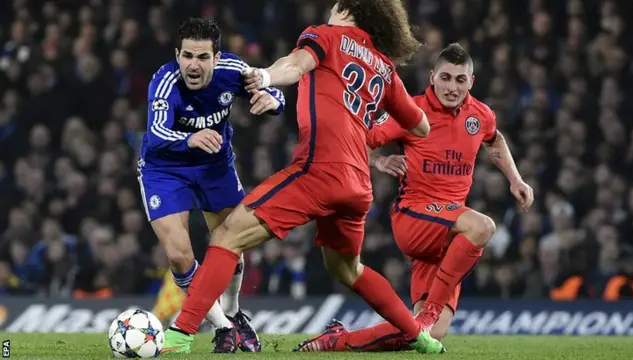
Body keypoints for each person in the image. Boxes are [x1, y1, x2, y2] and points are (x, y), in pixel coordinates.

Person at [162, 0, 445, 355]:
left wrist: (264, 76)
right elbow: (420, 125)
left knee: (226, 236)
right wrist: (367, 129)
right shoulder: (385, 69)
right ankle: (421, 338)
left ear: (344, 10)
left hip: (320, 171)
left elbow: (295, 65)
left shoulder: (325, 35)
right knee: (348, 269)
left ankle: (180, 335)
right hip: (358, 185)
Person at [295, 43, 534, 352]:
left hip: (447, 235)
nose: (452, 87)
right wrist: (378, 161)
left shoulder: (481, 115)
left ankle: (337, 340)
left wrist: (515, 179)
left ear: (471, 82)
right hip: (415, 216)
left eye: (460, 80)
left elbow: (495, 139)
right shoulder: (411, 111)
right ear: (433, 77)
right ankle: (431, 310)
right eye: (446, 78)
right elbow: (357, 138)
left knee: (427, 334)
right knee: (483, 227)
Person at [138, 17, 285, 353]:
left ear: (217, 59)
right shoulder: (163, 82)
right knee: (178, 255)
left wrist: (274, 102)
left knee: (231, 242)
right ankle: (223, 326)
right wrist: (191, 139)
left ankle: (233, 313)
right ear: (177, 55)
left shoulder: (234, 70)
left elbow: (272, 89)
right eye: (187, 55)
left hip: (214, 167)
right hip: (165, 169)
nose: (193, 64)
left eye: (203, 57)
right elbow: (157, 134)